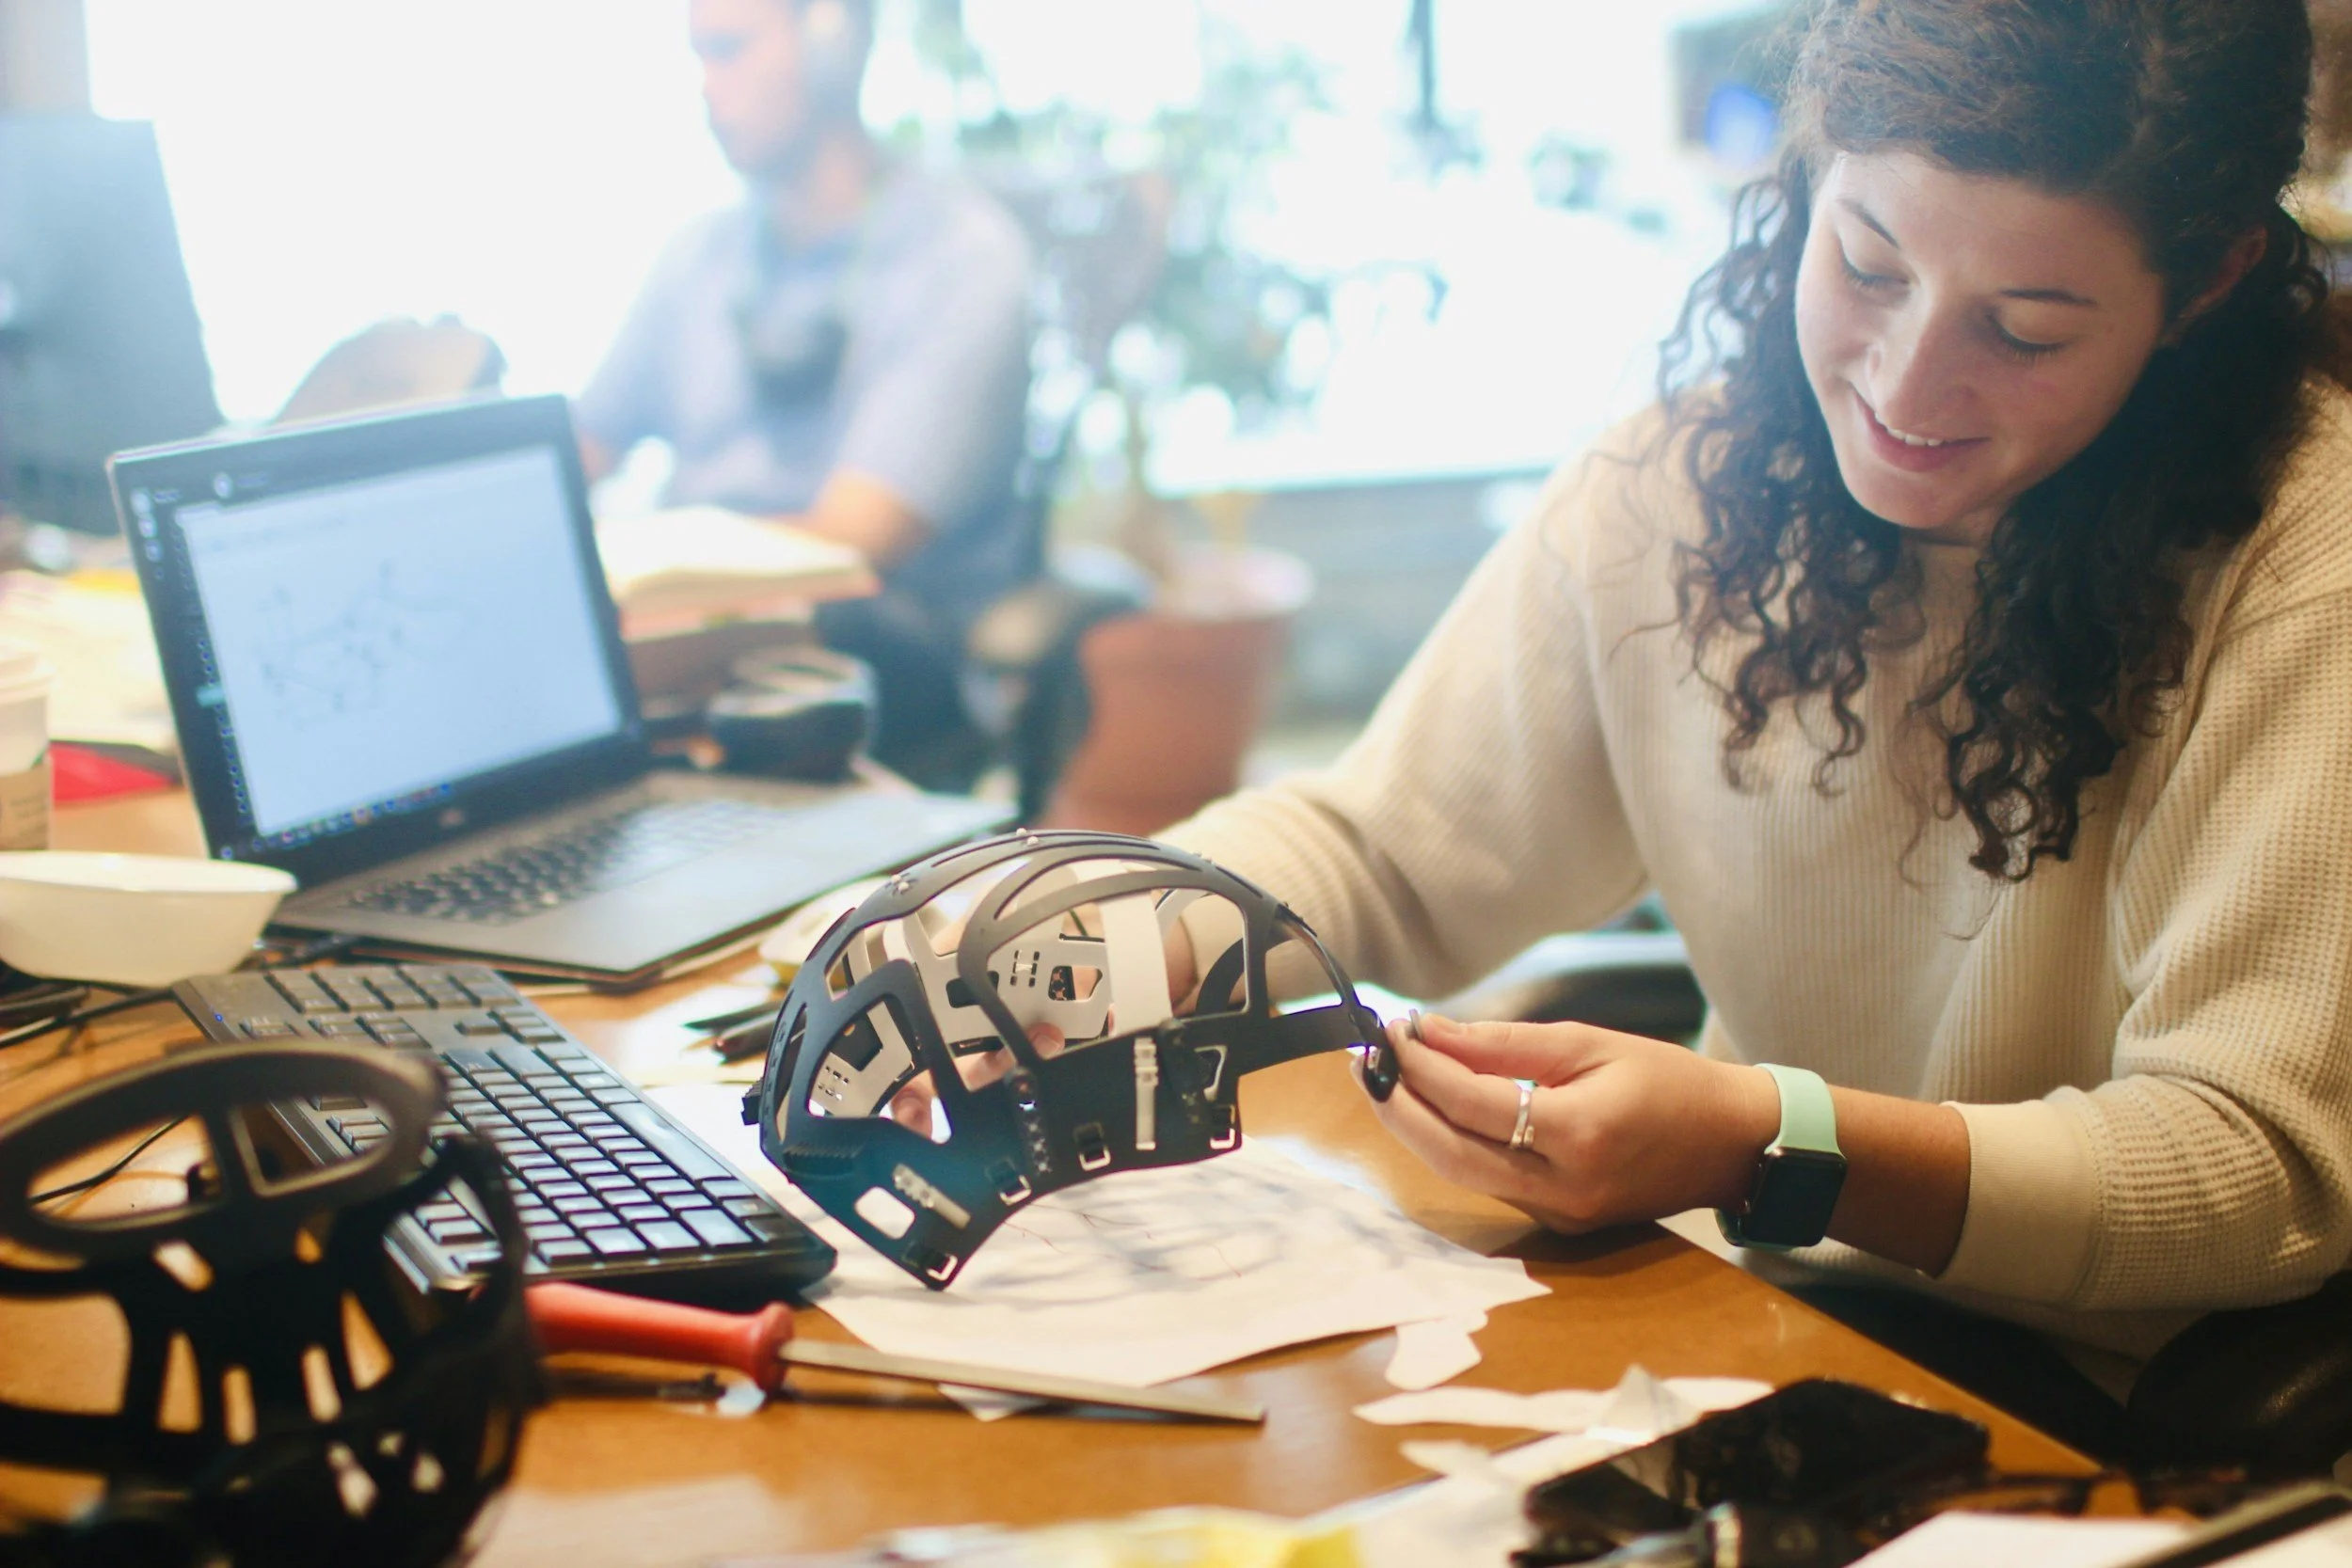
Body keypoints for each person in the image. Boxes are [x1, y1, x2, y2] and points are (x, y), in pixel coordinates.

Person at [1158, 0, 2352, 1455]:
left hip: (2093, 1415)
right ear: (1809, 172)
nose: (1907, 389)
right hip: (1754, 1322)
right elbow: (1388, 852)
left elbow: (2250, 1165)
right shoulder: (1694, 476)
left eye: (2025, 330)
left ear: (2212, 281)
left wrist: (1768, 1139)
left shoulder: (2306, 569)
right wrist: (1100, 931)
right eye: (1864, 262)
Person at [577, 0, 1034, 786]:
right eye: (697, 55)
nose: (706, 87)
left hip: (873, 646)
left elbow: (849, 543)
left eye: (729, 50)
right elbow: (582, 451)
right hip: (694, 639)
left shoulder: (962, 256)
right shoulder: (700, 256)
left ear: (834, 45)